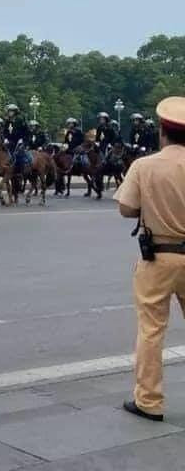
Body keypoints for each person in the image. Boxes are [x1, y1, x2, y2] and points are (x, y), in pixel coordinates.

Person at [114, 96, 185, 423]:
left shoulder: (144, 166)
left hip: (159, 257)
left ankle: (149, 401)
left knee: (151, 330)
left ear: (161, 131)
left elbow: (126, 208)